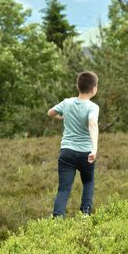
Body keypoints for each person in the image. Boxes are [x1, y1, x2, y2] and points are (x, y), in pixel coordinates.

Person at [47, 71, 100, 217]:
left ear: (78, 86)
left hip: (67, 152)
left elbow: (50, 113)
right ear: (94, 89)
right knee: (88, 181)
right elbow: (92, 125)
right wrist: (94, 149)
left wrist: (63, 116)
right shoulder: (93, 107)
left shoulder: (67, 102)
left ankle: (58, 218)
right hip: (86, 152)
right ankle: (85, 214)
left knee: (64, 188)